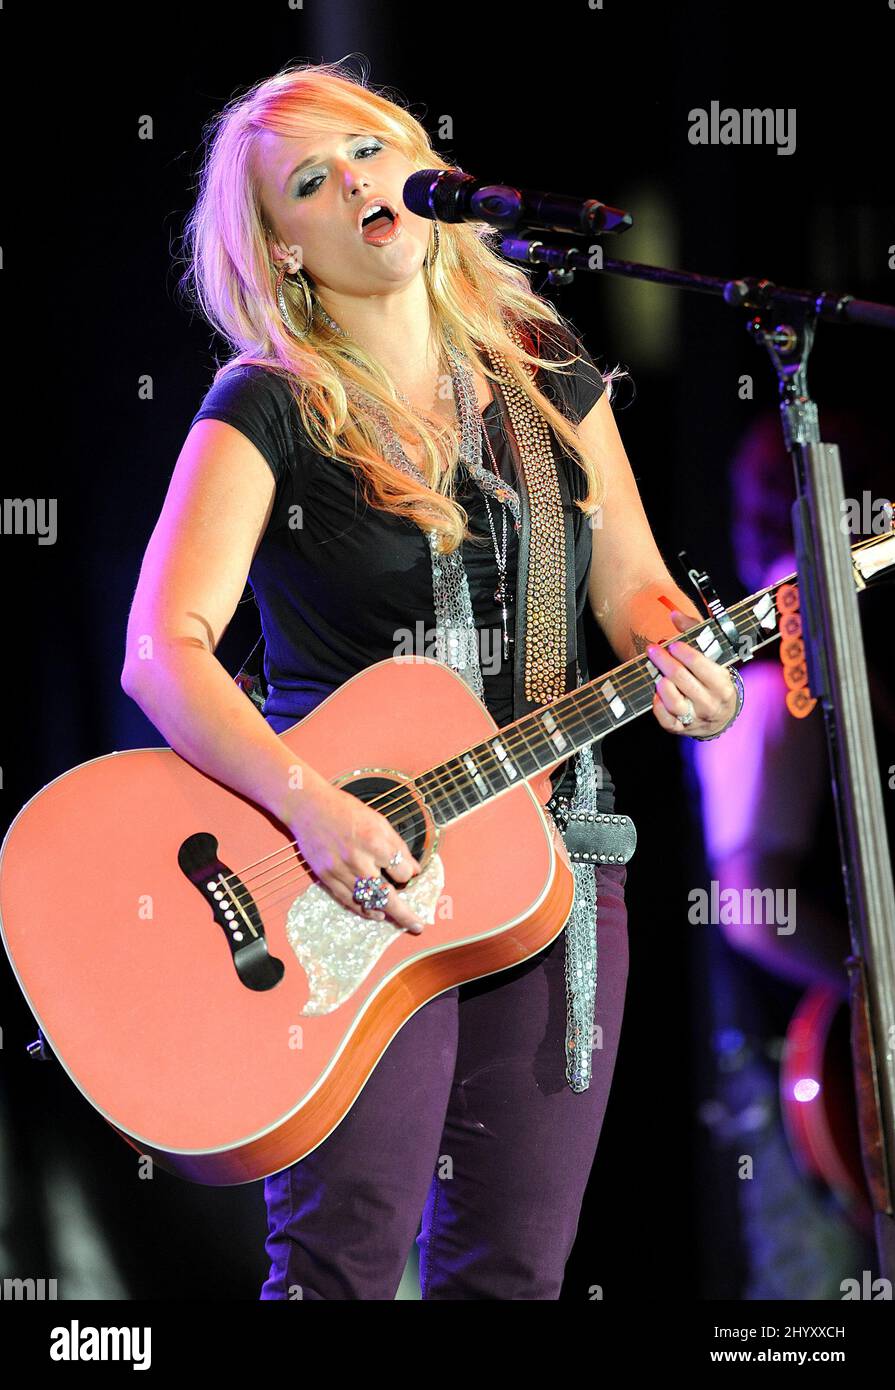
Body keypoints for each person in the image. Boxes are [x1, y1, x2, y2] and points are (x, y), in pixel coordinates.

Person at [120, 58, 742, 1300]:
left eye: (366, 150)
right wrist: (310, 803)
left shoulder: (541, 362)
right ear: (281, 248)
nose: (355, 182)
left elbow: (633, 584)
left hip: (557, 864)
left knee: (512, 1268)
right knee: (342, 1258)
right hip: (344, 876)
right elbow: (161, 650)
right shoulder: (268, 402)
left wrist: (691, 663)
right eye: (311, 179)